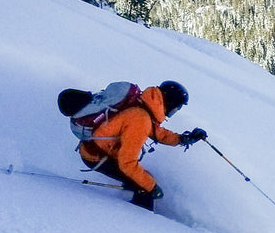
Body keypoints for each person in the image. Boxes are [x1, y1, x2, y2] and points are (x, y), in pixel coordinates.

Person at [78, 80, 207, 211]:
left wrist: (183, 139)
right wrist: (151, 187)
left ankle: (130, 202)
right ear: (170, 103)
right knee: (144, 186)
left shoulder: (142, 105)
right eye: (175, 108)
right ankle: (138, 223)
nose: (173, 112)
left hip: (96, 149)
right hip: (96, 156)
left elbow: (158, 133)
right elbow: (127, 163)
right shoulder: (141, 119)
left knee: (143, 179)